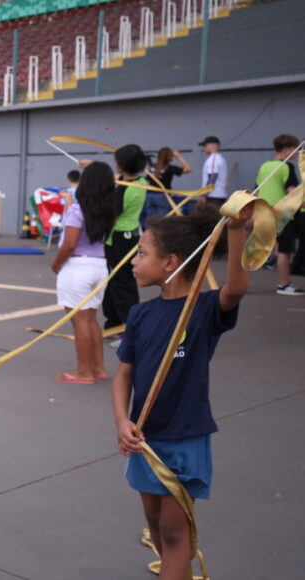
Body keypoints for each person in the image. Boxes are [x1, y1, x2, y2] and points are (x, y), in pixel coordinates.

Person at [112, 204, 251, 580]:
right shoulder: (141, 315)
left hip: (185, 439)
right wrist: (123, 421)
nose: (134, 261)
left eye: (141, 253)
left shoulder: (203, 309)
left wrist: (237, 230)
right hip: (146, 440)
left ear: (171, 261)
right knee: (156, 526)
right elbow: (123, 376)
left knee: (175, 535)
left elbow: (236, 287)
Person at [50, 163, 118, 384]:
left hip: (77, 268)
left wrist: (56, 265)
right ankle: (97, 368)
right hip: (99, 267)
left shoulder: (77, 210)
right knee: (90, 320)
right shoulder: (109, 209)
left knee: (80, 322)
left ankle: (84, 372)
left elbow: (69, 244)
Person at [103, 145, 149, 335]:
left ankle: (128, 329)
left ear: (121, 165)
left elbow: (110, 214)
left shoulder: (124, 191)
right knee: (115, 281)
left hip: (119, 239)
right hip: (131, 236)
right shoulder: (142, 181)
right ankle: (114, 323)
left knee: (122, 284)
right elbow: (117, 179)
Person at [254, 134, 303, 296]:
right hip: (283, 215)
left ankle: (240, 282)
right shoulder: (286, 167)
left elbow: (257, 190)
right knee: (285, 250)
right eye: (296, 150)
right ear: (287, 149)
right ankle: (284, 284)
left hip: (265, 213)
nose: (297, 153)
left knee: (265, 249)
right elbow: (292, 192)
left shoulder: (264, 166)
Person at [148, 147, 192, 218]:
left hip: (150, 195)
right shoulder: (169, 168)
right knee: (162, 220)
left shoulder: (151, 167)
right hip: (163, 195)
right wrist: (179, 156)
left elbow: (147, 179)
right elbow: (188, 169)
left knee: (150, 220)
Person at [198, 136, 228, 209]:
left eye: (205, 146)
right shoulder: (219, 158)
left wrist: (204, 195)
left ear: (213, 145)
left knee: (210, 219)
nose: (203, 148)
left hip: (213, 196)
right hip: (218, 195)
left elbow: (212, 177)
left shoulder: (214, 158)